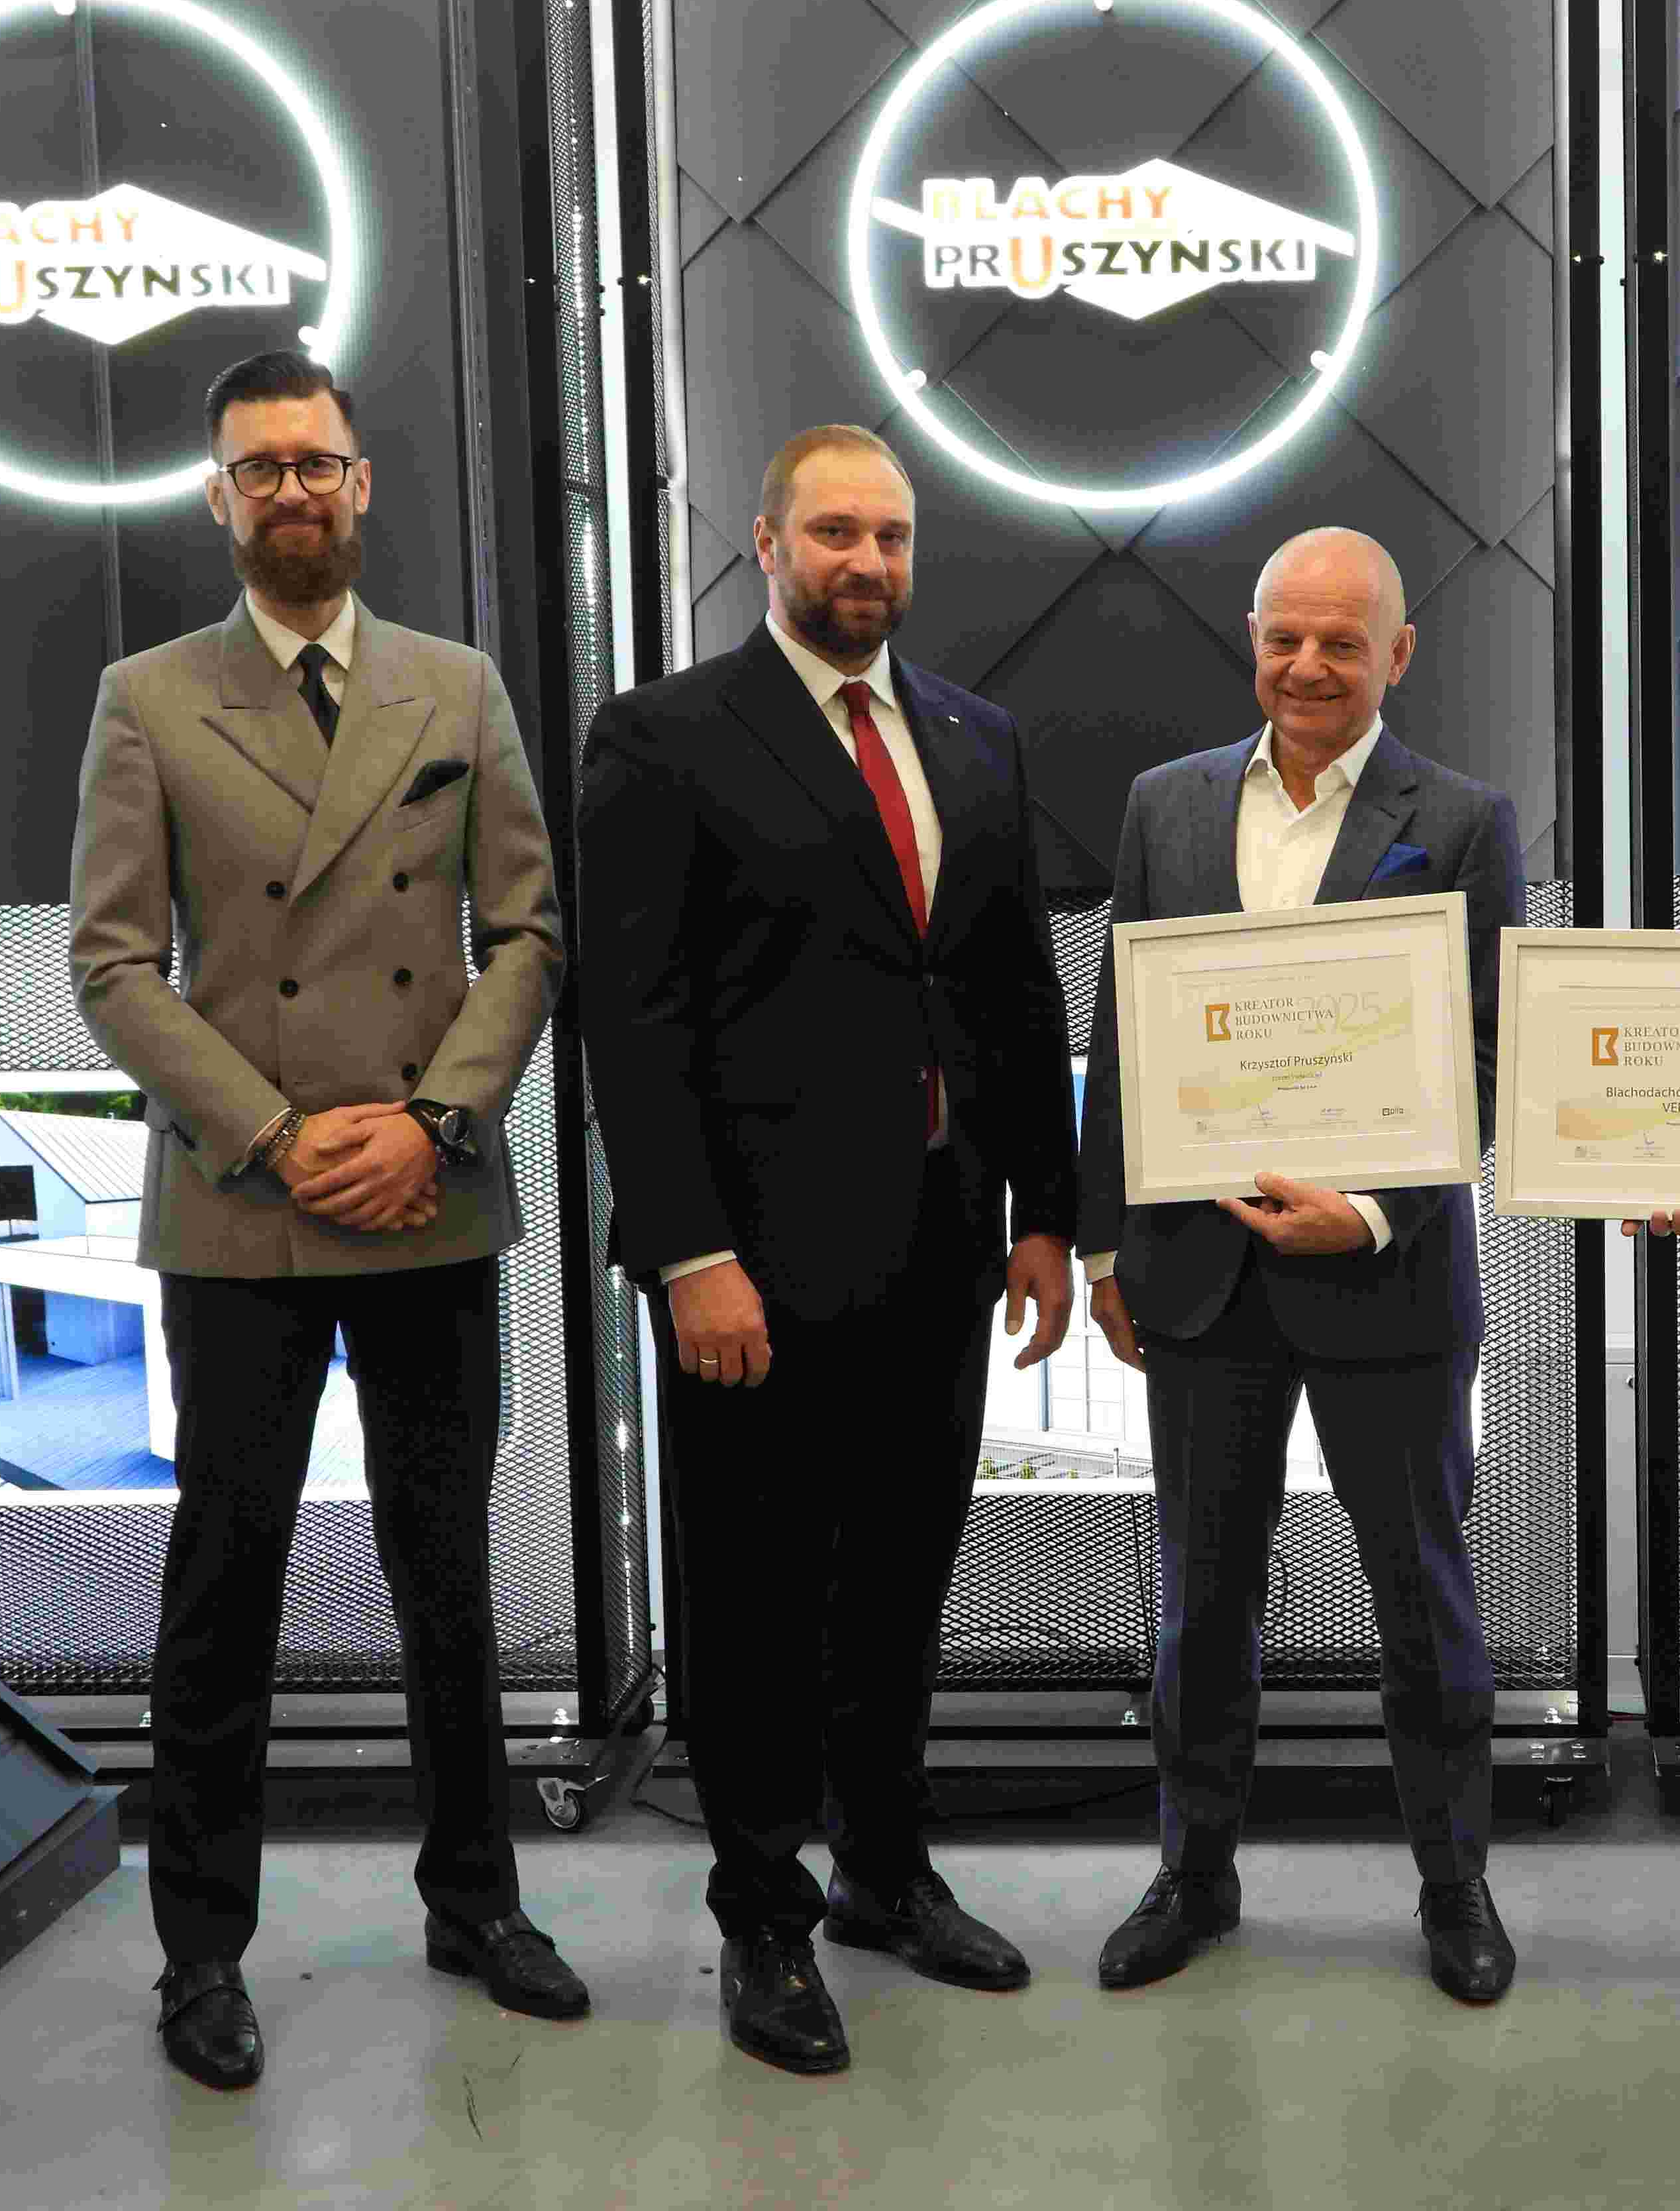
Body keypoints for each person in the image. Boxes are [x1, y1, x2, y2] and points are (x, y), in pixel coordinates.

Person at [69, 349, 580, 2092]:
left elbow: (527, 930)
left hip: (429, 1191)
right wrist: (279, 1137)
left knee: (450, 1577)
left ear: (361, 485)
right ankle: (202, 1951)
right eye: (260, 467)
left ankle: (478, 1901)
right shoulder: (150, 699)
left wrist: (434, 1122)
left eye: (317, 462)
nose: (292, 489)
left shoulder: (457, 687)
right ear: (218, 498)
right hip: (246, 1206)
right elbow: (114, 964)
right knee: (226, 1583)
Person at [576, 425, 1078, 2076]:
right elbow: (633, 1021)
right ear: (766, 543)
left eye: (893, 537)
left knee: (902, 1577)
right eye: (837, 533)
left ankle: (884, 1872)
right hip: (756, 1268)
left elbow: (1012, 990)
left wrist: (1049, 1212)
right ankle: (763, 1915)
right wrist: (686, 1254)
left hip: (940, 1244)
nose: (868, 563)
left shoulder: (975, 736)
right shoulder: (663, 737)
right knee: (756, 1597)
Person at [1077, 527, 1522, 2006]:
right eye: (1286, 638)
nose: (1310, 667)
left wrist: (1377, 1211)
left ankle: (1455, 1885)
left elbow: (1487, 1048)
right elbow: (1124, 1035)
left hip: (1386, 1277)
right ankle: (1193, 1872)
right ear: (1252, 640)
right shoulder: (1166, 804)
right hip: (1199, 1275)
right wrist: (1103, 1242)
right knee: (1202, 1603)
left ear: (1399, 653)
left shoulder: (1461, 820)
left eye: (1343, 642)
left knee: (1424, 1601)